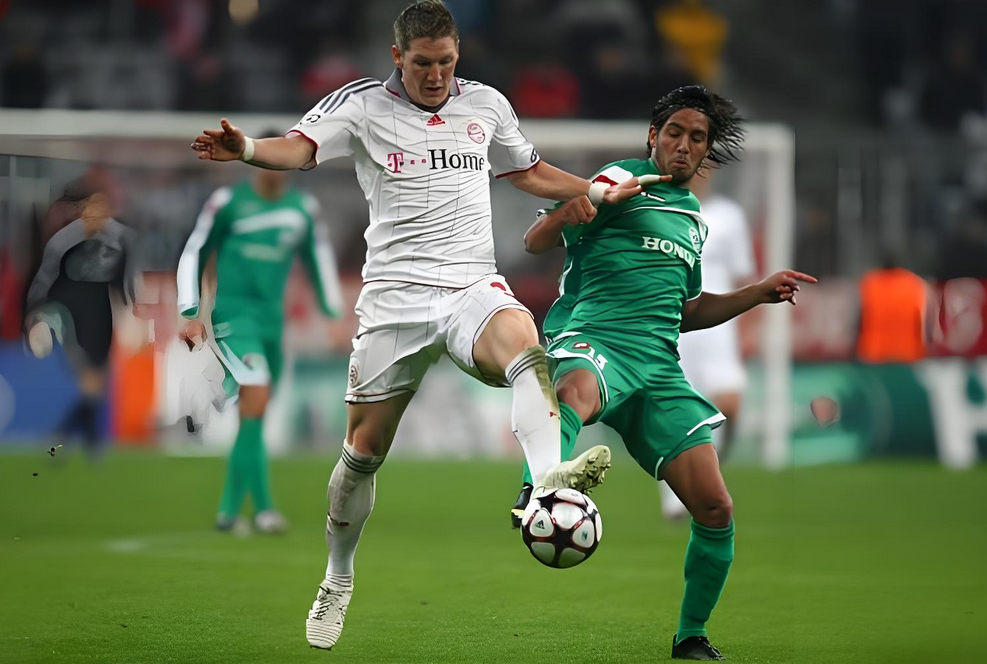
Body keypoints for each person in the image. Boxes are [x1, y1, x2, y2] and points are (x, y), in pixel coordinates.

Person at [190, 0, 646, 650]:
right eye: (424, 63)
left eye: (447, 63)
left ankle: (545, 483)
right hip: (394, 300)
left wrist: (594, 191)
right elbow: (299, 148)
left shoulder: (485, 104)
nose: (436, 76)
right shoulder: (361, 105)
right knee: (361, 455)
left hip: (470, 285)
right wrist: (249, 149)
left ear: (459, 56)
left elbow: (527, 171)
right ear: (397, 56)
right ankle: (337, 576)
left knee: (527, 349)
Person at [519, 85, 816, 660]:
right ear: (654, 135)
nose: (684, 145)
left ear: (706, 150)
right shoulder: (621, 180)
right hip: (596, 338)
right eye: (674, 133)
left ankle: (691, 637)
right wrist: (572, 210)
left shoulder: (692, 219)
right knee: (572, 392)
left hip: (658, 368)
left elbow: (688, 311)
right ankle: (538, 490)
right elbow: (535, 241)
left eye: (696, 138)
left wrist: (757, 292)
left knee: (716, 507)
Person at [177, 153, 344, 535]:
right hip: (234, 319)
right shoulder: (228, 202)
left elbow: (318, 259)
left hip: (272, 323)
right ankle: (265, 509)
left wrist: (333, 313)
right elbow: (196, 249)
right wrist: (190, 310)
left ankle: (228, 511)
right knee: (256, 398)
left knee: (254, 416)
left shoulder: (301, 209)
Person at [660, 170, 755, 521]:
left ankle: (708, 474)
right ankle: (675, 497)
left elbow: (743, 277)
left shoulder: (729, 217)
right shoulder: (661, 209)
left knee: (730, 403)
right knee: (677, 413)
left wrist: (748, 329)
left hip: (719, 327)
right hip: (676, 324)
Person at [24, 193, 135, 456]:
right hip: (69, 308)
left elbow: (127, 277)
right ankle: (88, 442)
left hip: (101, 307)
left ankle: (64, 439)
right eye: (91, 210)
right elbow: (44, 277)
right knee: (90, 378)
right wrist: (32, 314)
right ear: (83, 211)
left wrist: (130, 309)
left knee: (96, 380)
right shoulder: (66, 239)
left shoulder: (122, 237)